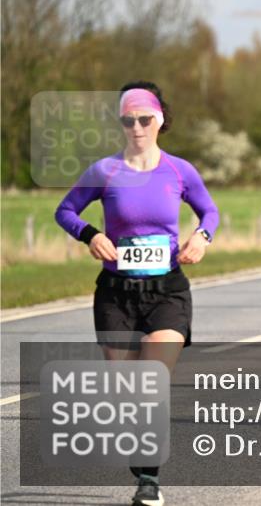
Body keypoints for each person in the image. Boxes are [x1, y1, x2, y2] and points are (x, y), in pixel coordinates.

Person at [55, 82, 219, 506]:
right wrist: (90, 234)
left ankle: (148, 480)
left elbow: (209, 211)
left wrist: (201, 237)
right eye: (128, 120)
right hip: (116, 295)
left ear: (160, 120)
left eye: (145, 119)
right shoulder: (104, 171)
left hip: (167, 291)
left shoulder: (179, 171)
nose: (137, 127)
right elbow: (65, 210)